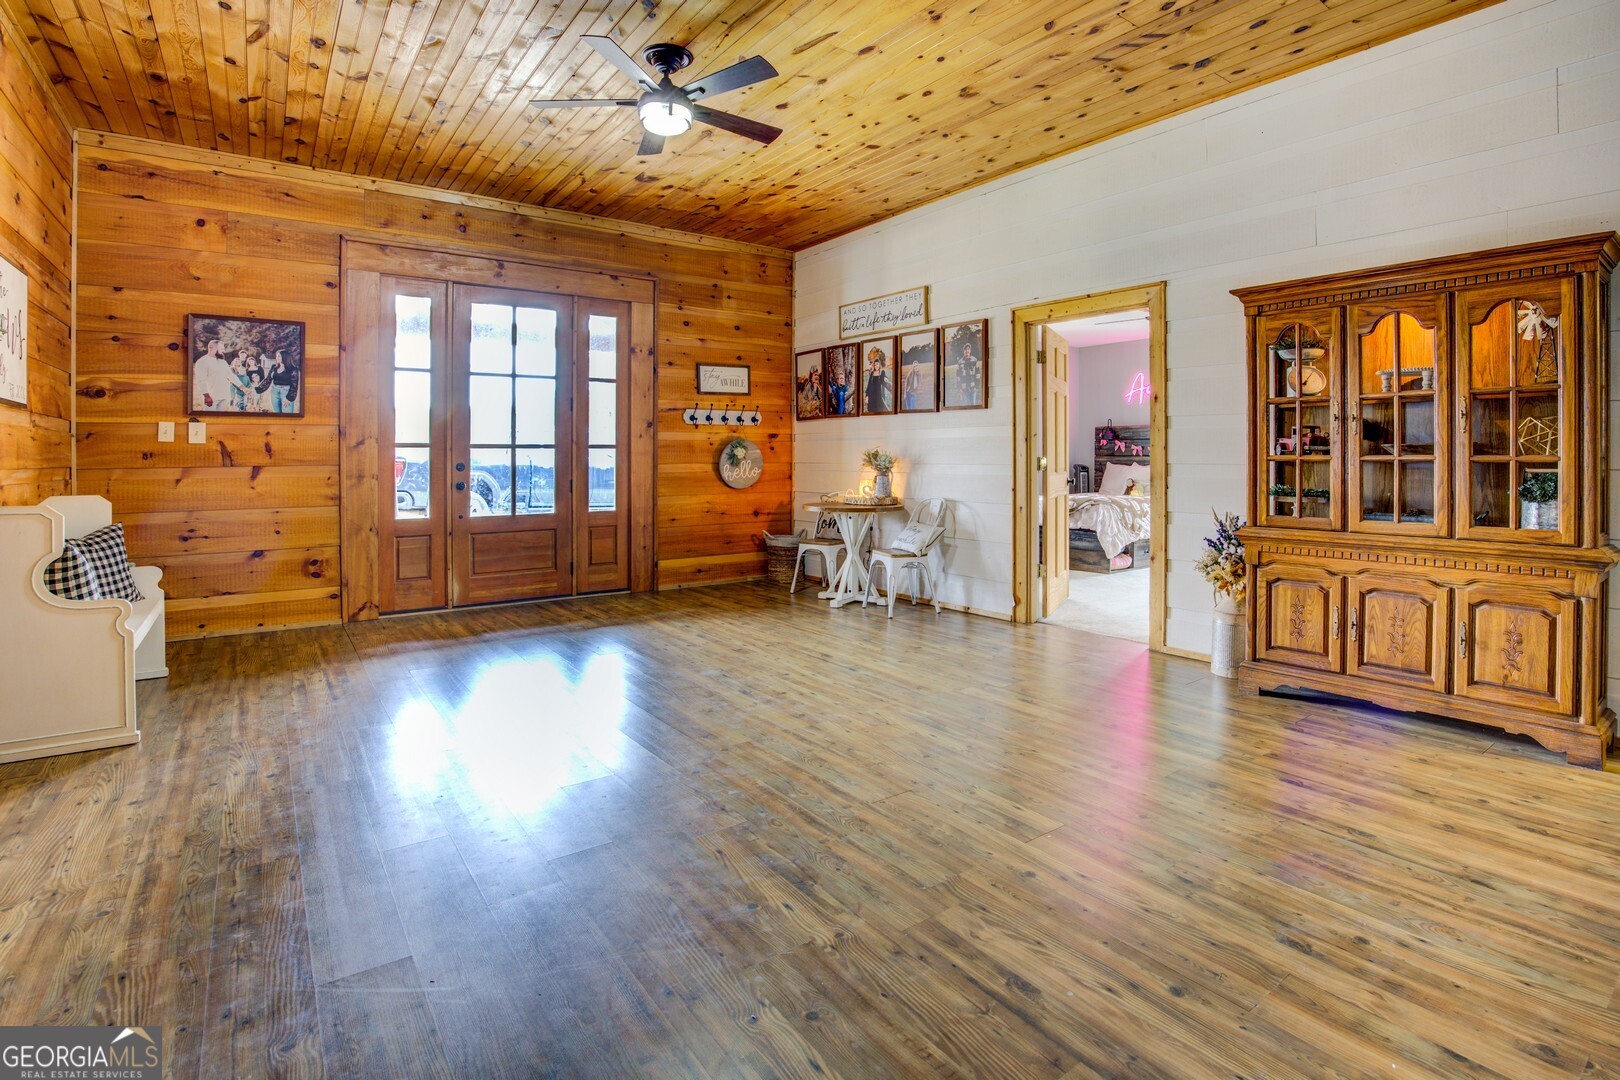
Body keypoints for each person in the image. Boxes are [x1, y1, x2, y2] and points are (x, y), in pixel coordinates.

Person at [192, 339, 238, 411]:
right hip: (211, 398)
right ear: (212, 348)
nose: (224, 351)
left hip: (223, 397)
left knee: (219, 420)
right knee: (209, 420)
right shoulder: (202, 361)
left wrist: (243, 388)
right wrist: (206, 396)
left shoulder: (223, 362)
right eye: (221, 349)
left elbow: (231, 376)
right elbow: (200, 380)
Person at [864, 348, 892, 413]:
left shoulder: (882, 372)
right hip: (871, 394)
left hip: (878, 395)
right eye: (875, 364)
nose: (876, 366)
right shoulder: (872, 373)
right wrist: (867, 396)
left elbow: (883, 379)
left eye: (877, 364)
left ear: (879, 365)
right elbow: (869, 385)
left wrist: (885, 377)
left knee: (879, 410)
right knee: (871, 411)